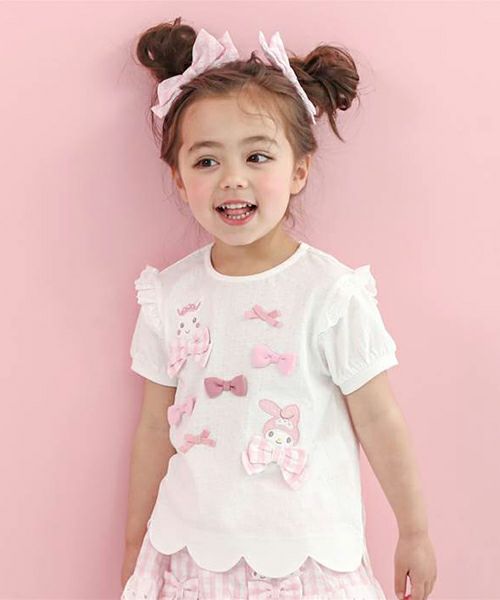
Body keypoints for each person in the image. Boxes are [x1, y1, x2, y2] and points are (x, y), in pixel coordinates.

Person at [120, 16, 437, 600]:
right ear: (180, 179)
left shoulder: (331, 294)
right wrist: (134, 543)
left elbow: (379, 420)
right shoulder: (168, 295)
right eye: (207, 161)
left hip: (307, 560)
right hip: (189, 556)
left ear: (299, 170)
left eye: (257, 157)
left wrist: (414, 531)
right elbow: (152, 429)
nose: (232, 180)